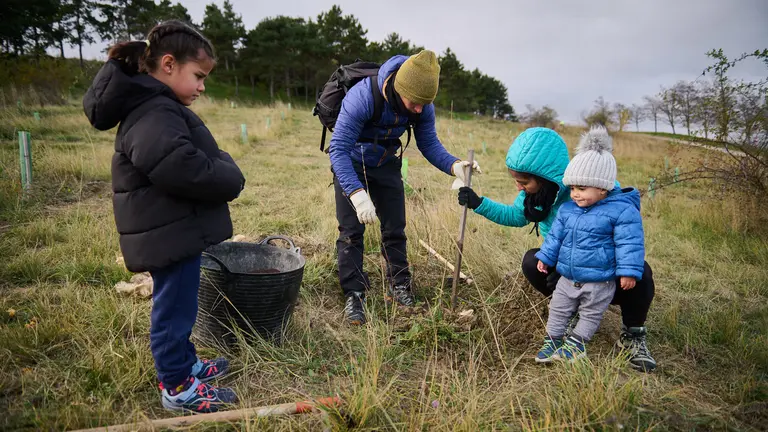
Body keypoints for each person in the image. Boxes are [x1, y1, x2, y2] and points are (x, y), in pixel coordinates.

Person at [84, 20, 245, 412]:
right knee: (172, 312)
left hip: (172, 229)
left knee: (182, 303)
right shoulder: (153, 109)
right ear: (168, 64)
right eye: (199, 76)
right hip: (166, 234)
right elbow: (179, 167)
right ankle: (177, 388)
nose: (203, 87)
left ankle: (185, 365)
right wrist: (227, 171)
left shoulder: (156, 104)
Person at [457, 127, 657, 372]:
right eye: (516, 181)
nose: (519, 187)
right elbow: (515, 216)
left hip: (605, 275)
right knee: (533, 260)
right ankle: (570, 312)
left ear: (545, 178)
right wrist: (479, 203)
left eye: (523, 182)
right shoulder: (541, 194)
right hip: (569, 268)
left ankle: (632, 336)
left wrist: (616, 269)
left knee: (641, 271)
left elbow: (626, 241)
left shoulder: (594, 189)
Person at [329, 50, 480, 325]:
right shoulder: (362, 97)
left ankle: (400, 287)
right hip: (351, 162)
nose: (420, 110)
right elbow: (337, 149)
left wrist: (453, 165)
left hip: (386, 162)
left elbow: (429, 144)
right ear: (398, 90)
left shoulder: (422, 103)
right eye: (416, 103)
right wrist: (356, 193)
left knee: (395, 229)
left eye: (426, 104)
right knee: (351, 231)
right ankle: (354, 293)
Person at [532, 127, 645, 363]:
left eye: (581, 189)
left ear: (602, 188)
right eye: (572, 188)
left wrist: (628, 272)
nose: (574, 194)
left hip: (599, 279)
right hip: (567, 276)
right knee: (558, 308)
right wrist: (545, 257)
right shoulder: (568, 209)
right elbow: (555, 237)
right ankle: (552, 340)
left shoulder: (622, 210)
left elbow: (629, 243)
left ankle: (576, 344)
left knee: (590, 314)